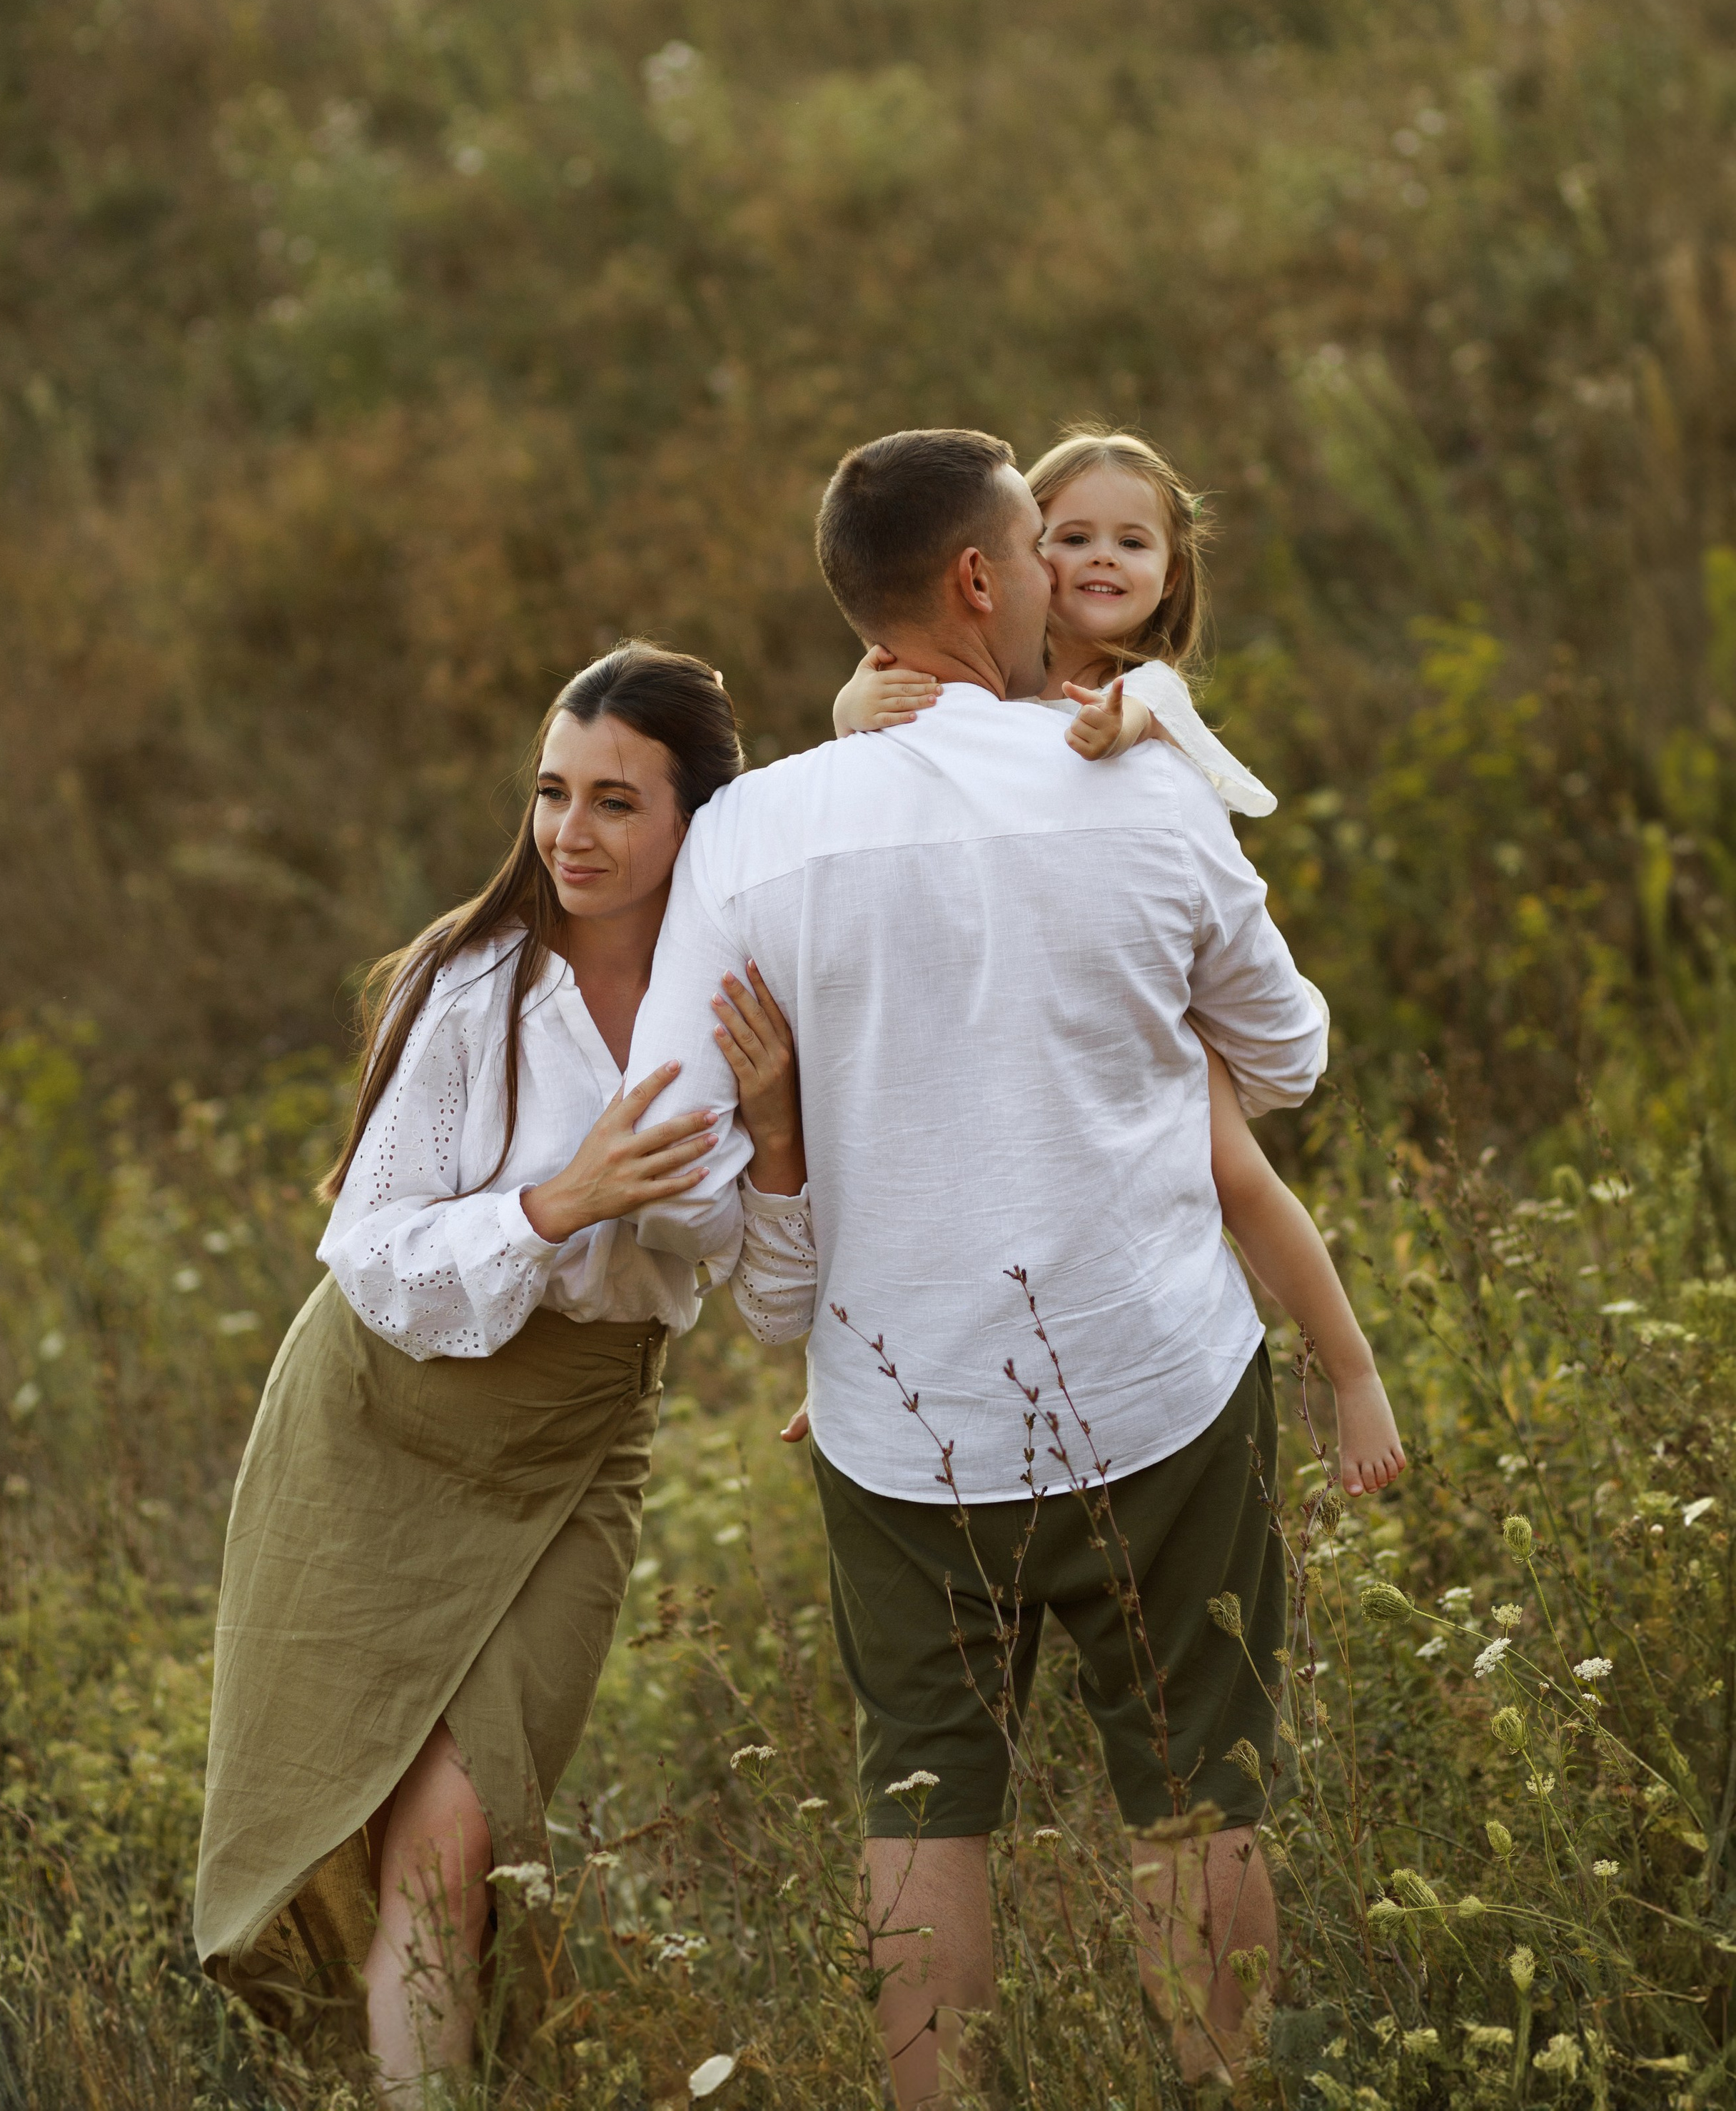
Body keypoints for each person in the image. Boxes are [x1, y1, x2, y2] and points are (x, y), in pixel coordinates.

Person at [625, 428, 1333, 2104]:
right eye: (1034, 548)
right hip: (1153, 1378)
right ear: (974, 580)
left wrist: (791, 1181)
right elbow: (1286, 1055)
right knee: (1194, 1785)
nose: (1054, 581)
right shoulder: (1138, 782)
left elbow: (669, 1131)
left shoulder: (751, 834)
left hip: (896, 1413)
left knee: (923, 1800)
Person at [193, 643, 804, 2105]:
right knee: (364, 1822)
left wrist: (776, 1114)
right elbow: (373, 1249)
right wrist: (561, 1199)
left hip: (576, 1445)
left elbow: (781, 1292)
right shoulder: (470, 987)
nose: (568, 832)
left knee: (460, 1829)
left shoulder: (743, 1007)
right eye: (549, 791)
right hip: (374, 1424)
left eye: (613, 801)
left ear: (693, 824)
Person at [833, 426, 1403, 1498]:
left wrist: (1126, 724)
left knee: (1232, 1171)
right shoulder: (983, 682)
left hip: (1147, 1001)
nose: (1102, 559)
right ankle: (863, 1373)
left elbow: (1179, 742)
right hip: (1017, 992)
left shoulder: (1146, 694)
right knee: (939, 1171)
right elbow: (881, 732)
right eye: (1070, 535)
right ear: (1007, 560)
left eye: (1132, 543)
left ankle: (1352, 1368)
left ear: (1170, 573)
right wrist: (849, 706)